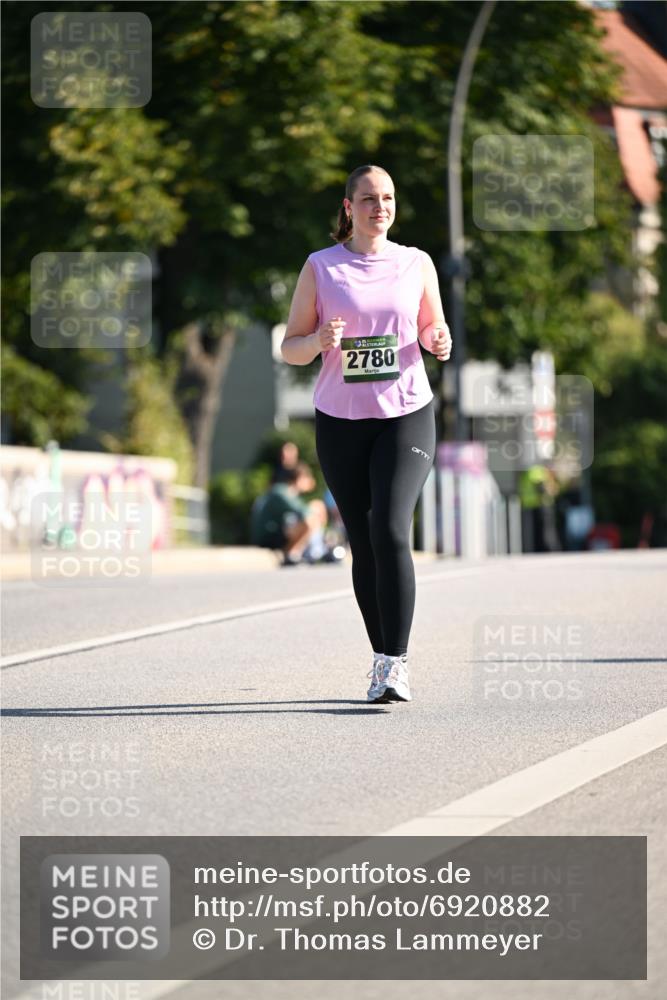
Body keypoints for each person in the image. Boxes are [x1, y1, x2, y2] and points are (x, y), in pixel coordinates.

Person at [280, 164, 452, 703]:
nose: (381, 207)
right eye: (369, 198)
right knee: (364, 541)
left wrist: (437, 338)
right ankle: (382, 657)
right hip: (340, 421)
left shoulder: (416, 263)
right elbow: (290, 346)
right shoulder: (321, 268)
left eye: (388, 198)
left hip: (405, 413)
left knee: (392, 528)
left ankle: (395, 663)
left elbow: (431, 326)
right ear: (348, 207)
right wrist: (317, 342)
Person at [251, 461, 340, 566]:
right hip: (268, 536)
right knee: (311, 520)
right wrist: (317, 508)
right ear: (299, 478)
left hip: (275, 532)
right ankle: (291, 554)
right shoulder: (281, 491)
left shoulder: (285, 491)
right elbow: (305, 513)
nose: (311, 481)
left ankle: (315, 550)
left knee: (311, 516)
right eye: (308, 477)